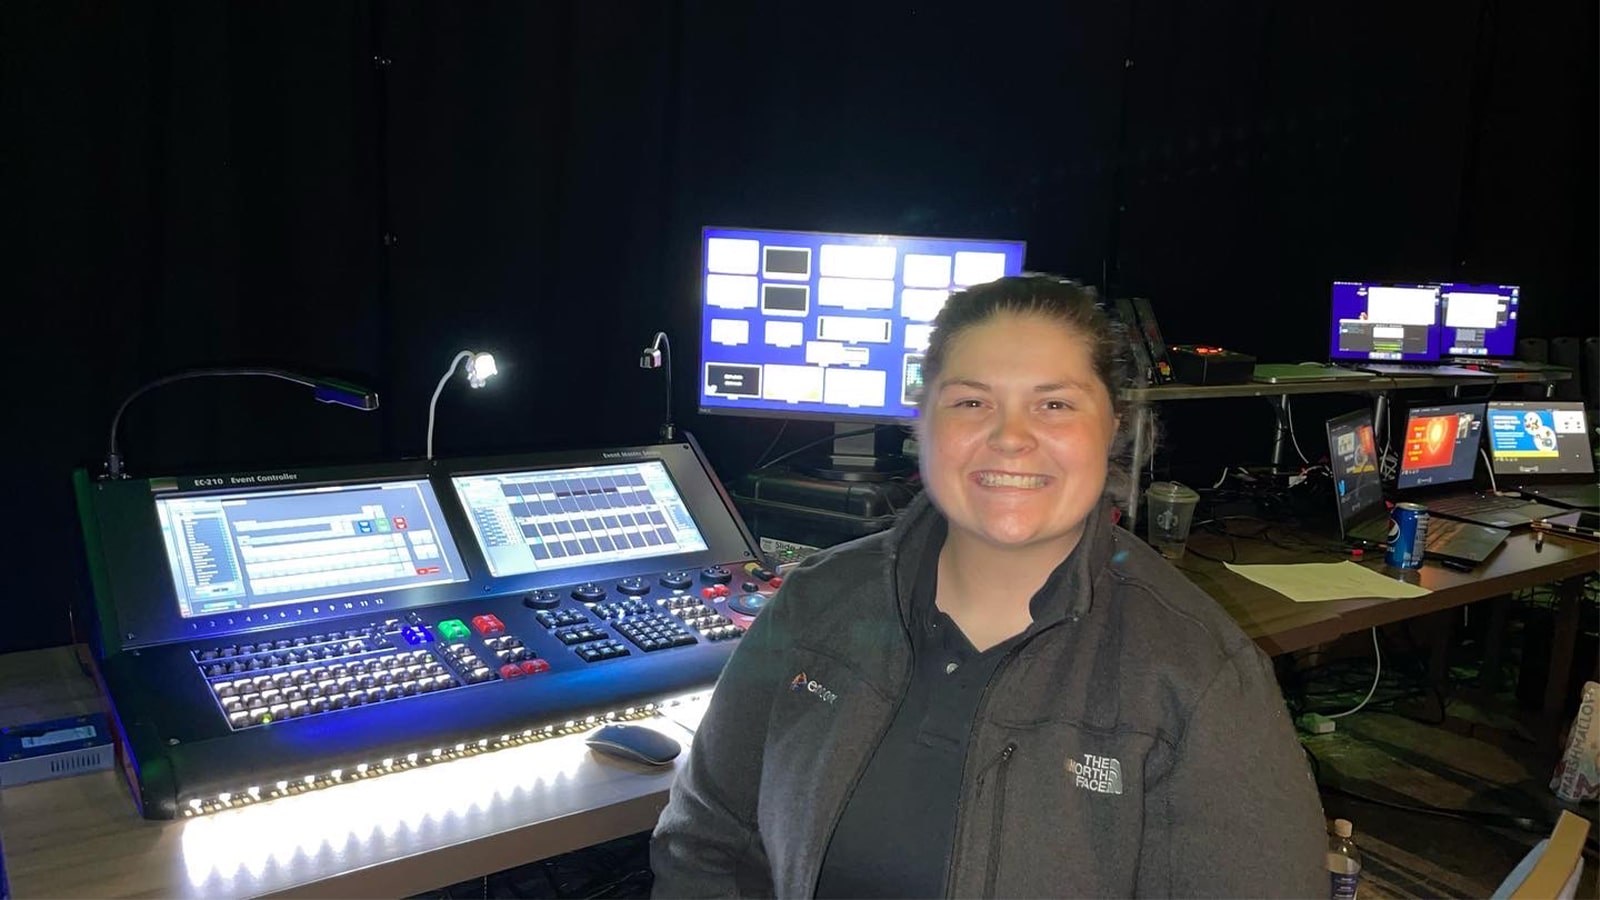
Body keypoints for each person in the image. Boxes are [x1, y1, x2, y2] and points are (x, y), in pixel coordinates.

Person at [651, 274, 1327, 897]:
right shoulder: (814, 604)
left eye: (1055, 403)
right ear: (923, 420)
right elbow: (705, 847)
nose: (1011, 438)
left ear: (1115, 427)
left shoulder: (1200, 676)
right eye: (972, 401)